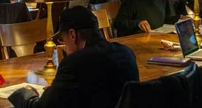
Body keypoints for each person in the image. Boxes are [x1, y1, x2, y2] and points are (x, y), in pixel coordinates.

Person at [9, 6, 139, 108]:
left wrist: (26, 93)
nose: (65, 47)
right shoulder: (126, 53)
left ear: (72, 34)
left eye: (64, 40)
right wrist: (58, 90)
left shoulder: (74, 62)